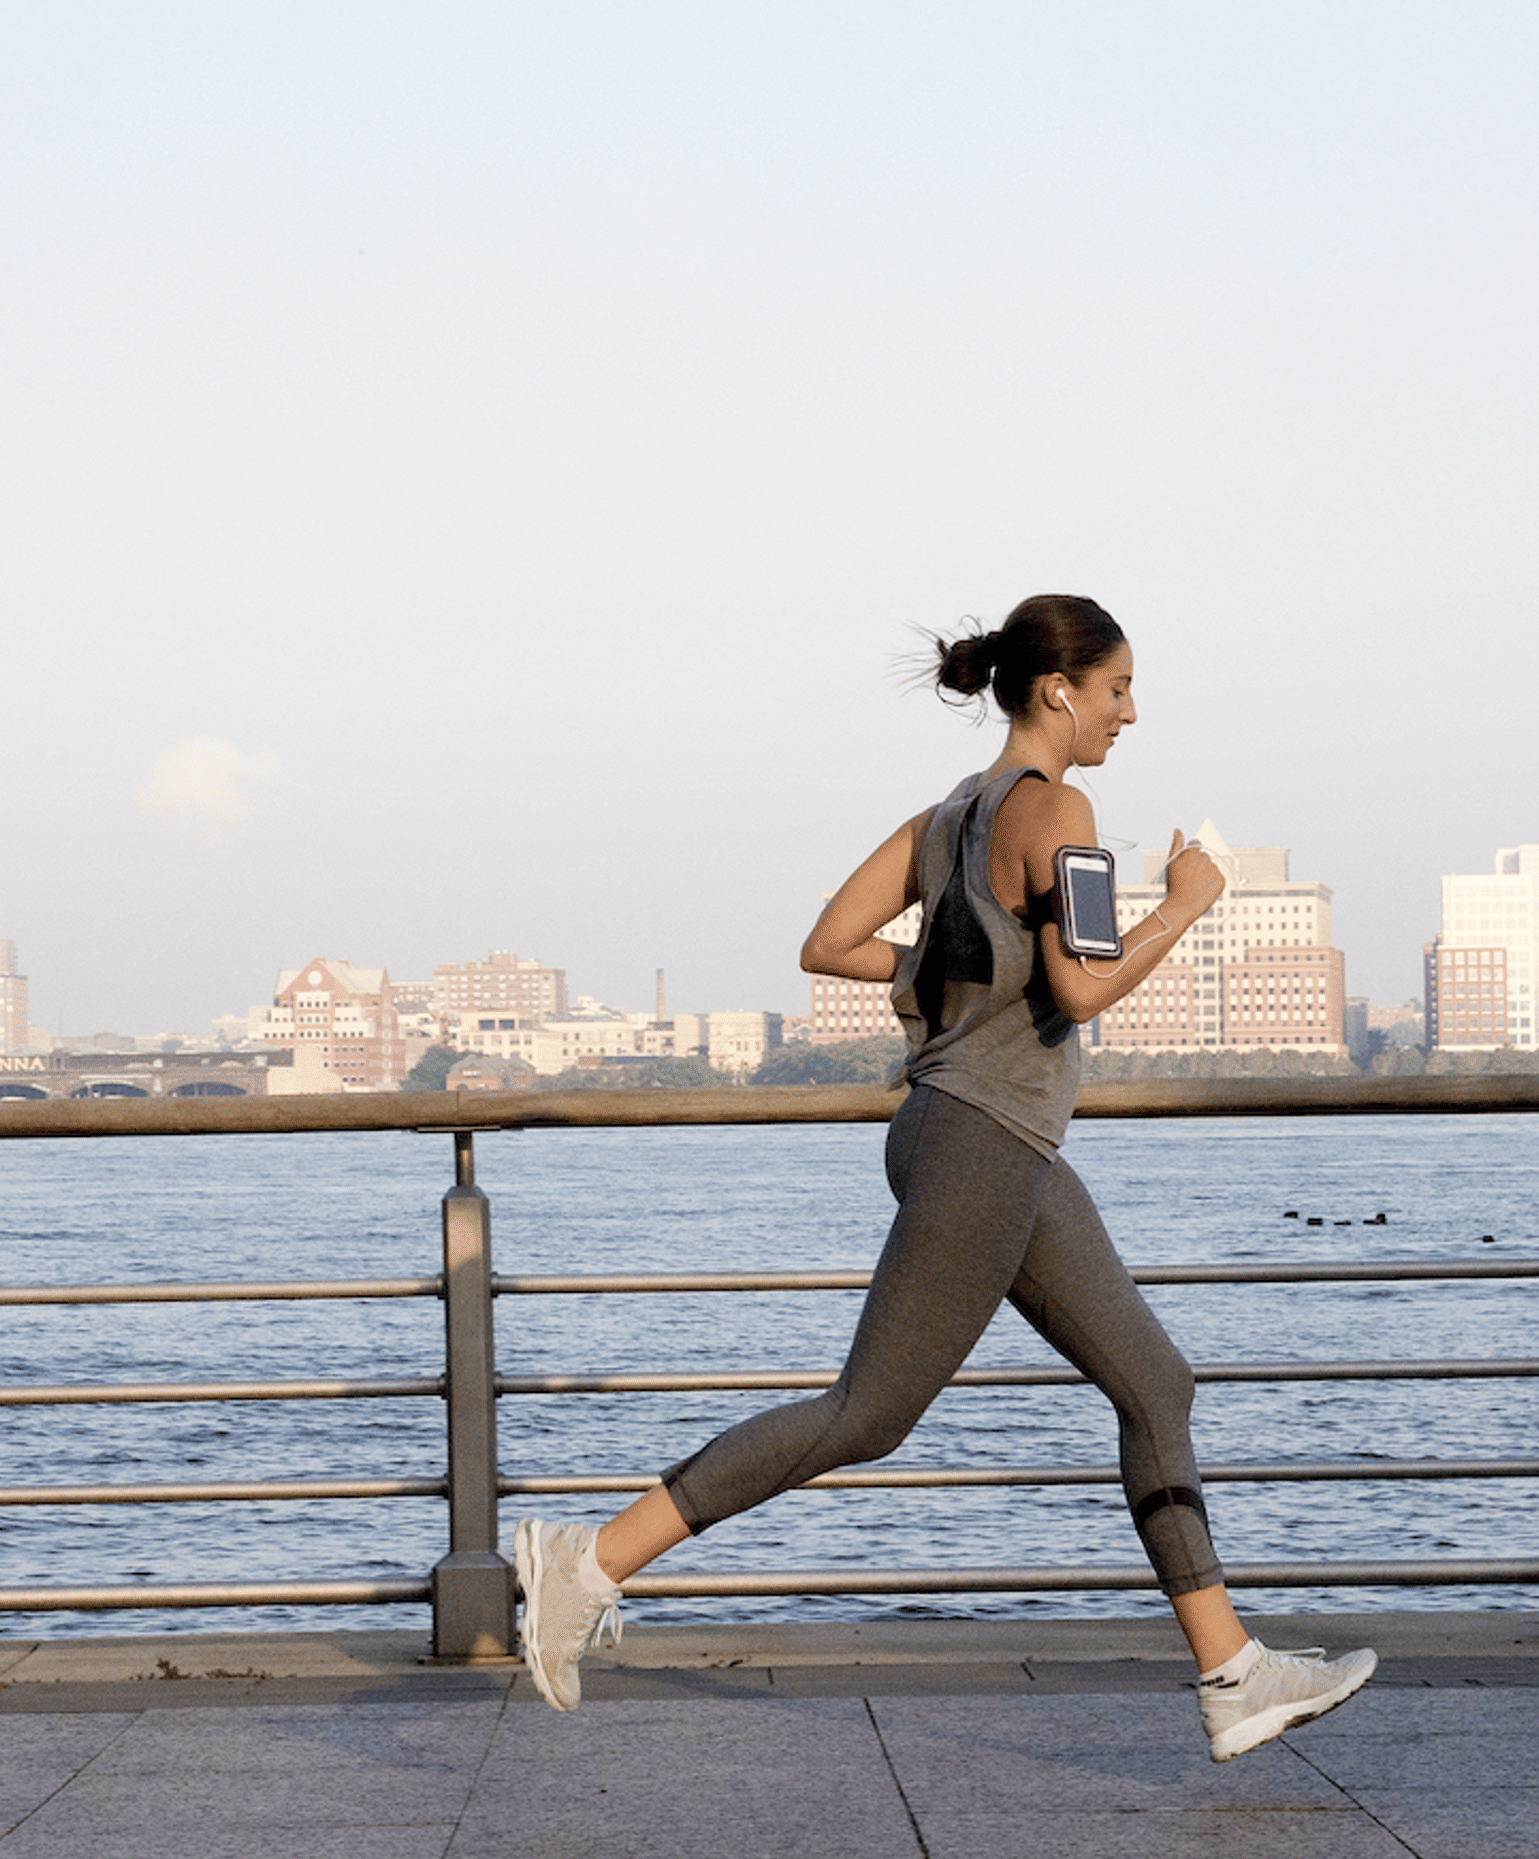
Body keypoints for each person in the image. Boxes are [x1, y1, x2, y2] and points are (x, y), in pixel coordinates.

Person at [506, 593, 1379, 1762]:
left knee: (1155, 1383)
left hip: (965, 1131)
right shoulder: (1061, 808)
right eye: (1119, 688)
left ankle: (1234, 1672)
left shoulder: (946, 816)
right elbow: (1082, 988)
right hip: (984, 1138)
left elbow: (828, 941)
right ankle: (589, 1560)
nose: (1131, 712)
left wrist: (963, 961)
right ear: (1058, 691)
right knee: (867, 1416)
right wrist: (1185, 904)